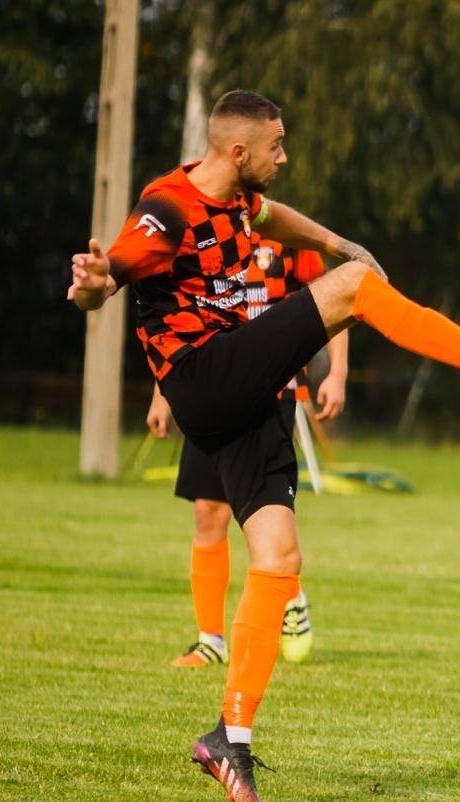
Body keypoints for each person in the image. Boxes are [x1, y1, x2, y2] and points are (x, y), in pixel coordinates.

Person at [68, 89, 460, 802]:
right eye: (276, 146)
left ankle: (228, 738)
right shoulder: (168, 206)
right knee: (357, 291)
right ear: (240, 152)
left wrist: (335, 244)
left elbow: (275, 217)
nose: (285, 155)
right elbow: (114, 269)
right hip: (206, 380)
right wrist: (93, 283)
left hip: (249, 397)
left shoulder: (241, 197)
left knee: (279, 559)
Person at [146, 238, 350, 669]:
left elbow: (338, 295)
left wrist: (338, 371)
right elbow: (179, 324)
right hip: (212, 389)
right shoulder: (207, 242)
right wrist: (162, 393)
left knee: (258, 517)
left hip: (271, 393)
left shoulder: (286, 239)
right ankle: (211, 640)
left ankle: (289, 595)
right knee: (208, 512)